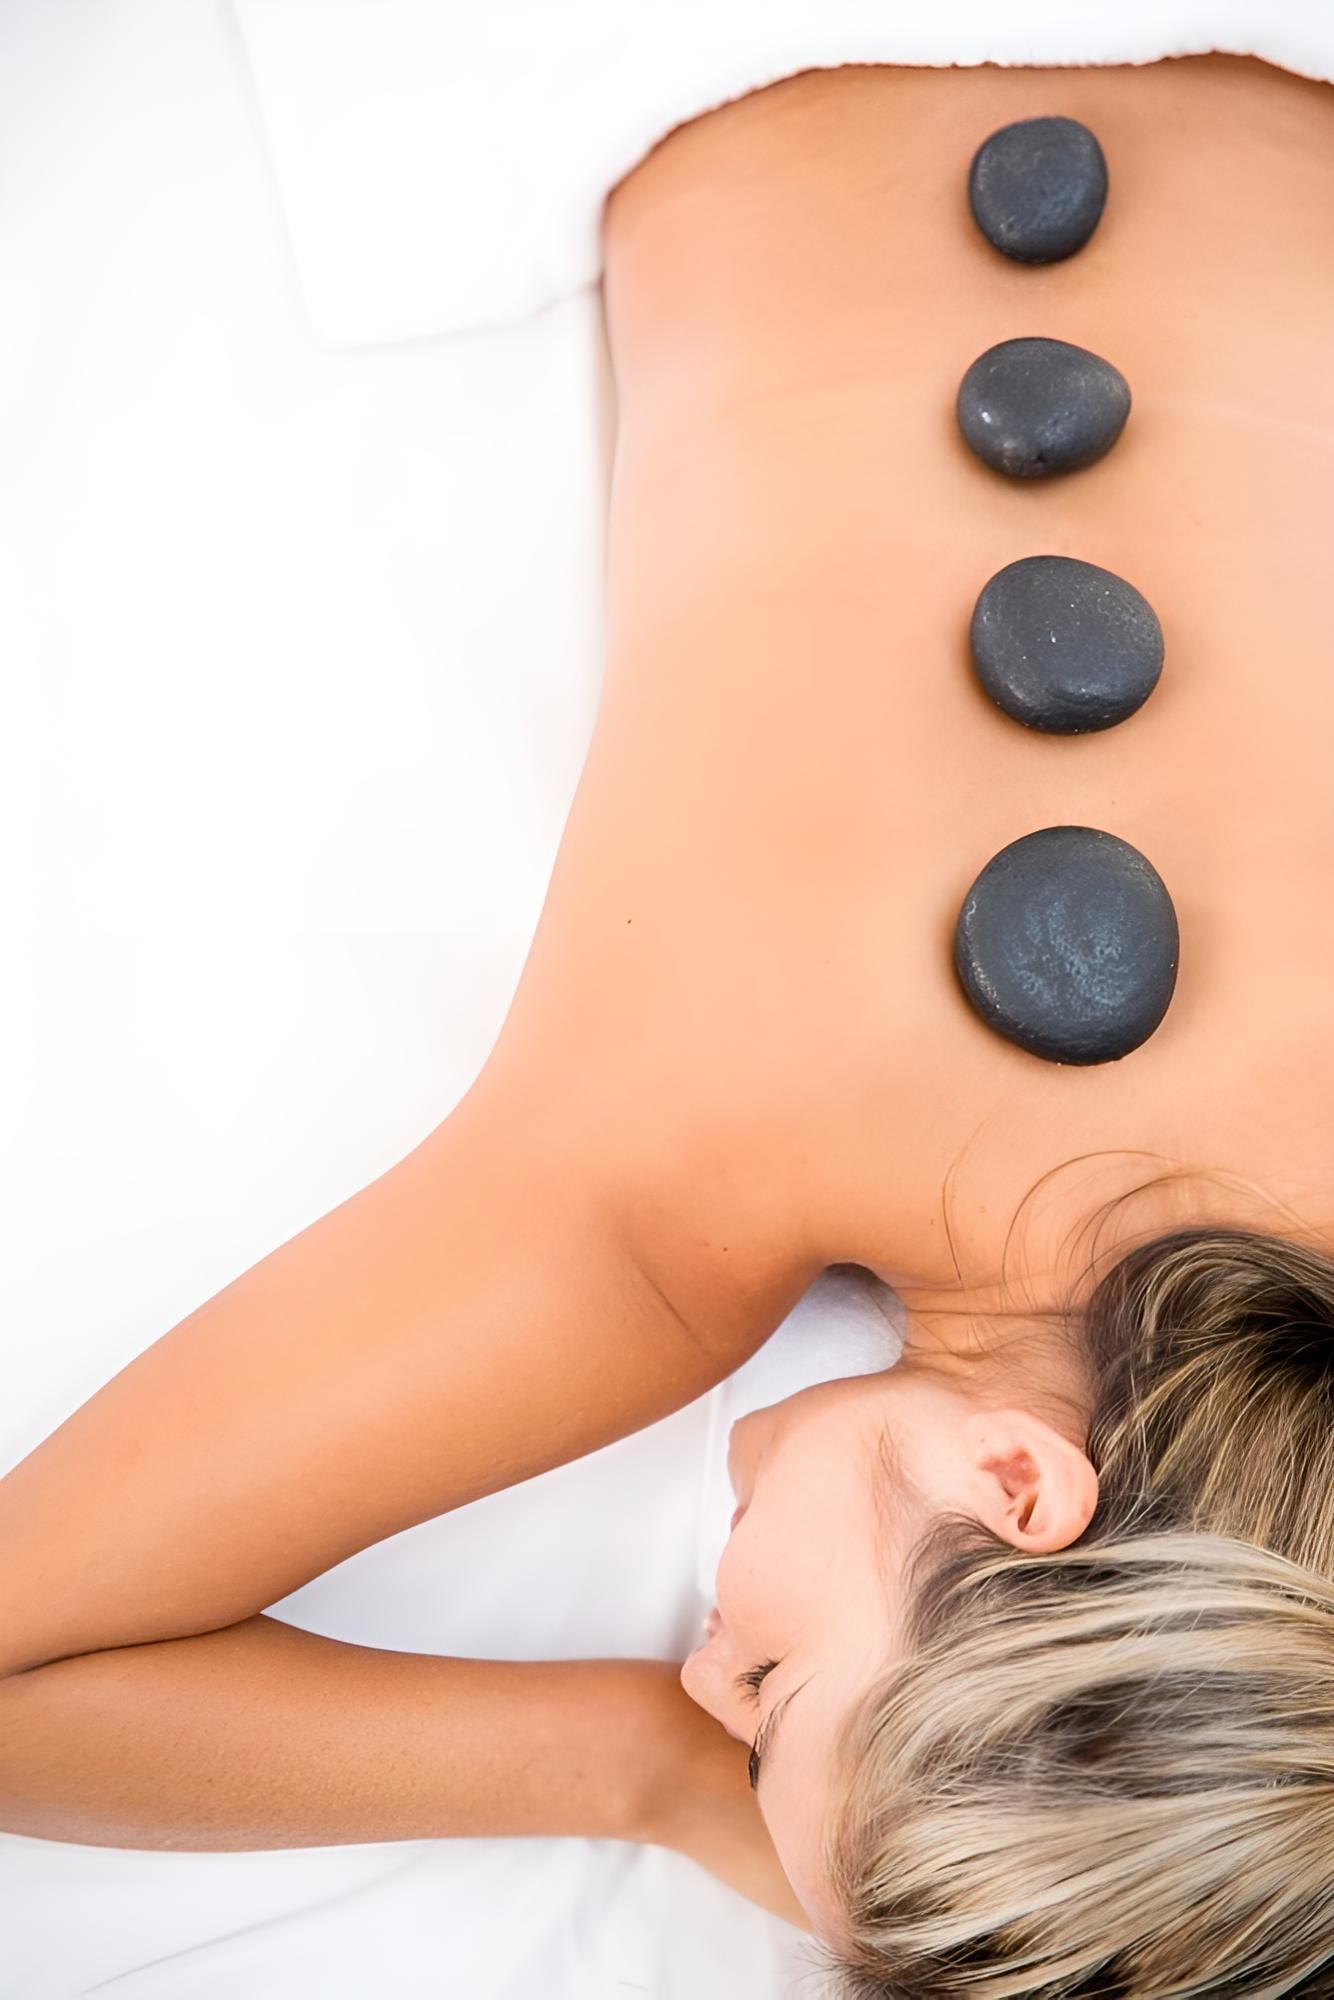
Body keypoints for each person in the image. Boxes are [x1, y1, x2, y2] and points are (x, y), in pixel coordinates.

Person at [3, 49, 1334, 1992]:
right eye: (771, 1685)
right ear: (1018, 1490)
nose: (702, 1664)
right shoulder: (671, 1196)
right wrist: (645, 1777)